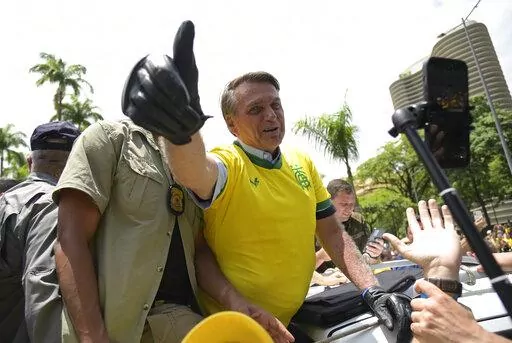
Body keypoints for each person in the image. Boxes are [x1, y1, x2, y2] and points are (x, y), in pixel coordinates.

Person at [122, 20, 412, 343]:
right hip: (234, 331)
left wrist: (371, 289)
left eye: (275, 104)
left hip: (286, 327)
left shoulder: (303, 163)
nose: (271, 115)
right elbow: (194, 172)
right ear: (232, 126)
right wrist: (181, 130)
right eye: (256, 109)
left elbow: (332, 233)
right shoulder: (231, 163)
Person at [53, 117, 205, 342]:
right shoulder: (109, 138)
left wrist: (236, 301)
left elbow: (199, 251)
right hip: (117, 331)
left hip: (184, 326)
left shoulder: (192, 163)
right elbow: (71, 239)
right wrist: (92, 335)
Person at [384, 199, 511, 343]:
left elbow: (436, 330)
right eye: (413, 231)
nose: (420, 233)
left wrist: (470, 335)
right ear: (407, 235)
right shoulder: (399, 261)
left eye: (423, 228)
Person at [0, 121, 80, 342]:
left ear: (29, 162)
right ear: (78, 164)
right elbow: (41, 286)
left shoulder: (6, 200)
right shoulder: (53, 205)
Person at [316, 179, 384, 270]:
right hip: (323, 283)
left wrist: (374, 255)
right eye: (344, 204)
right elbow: (299, 270)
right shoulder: (311, 226)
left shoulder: (358, 220)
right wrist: (321, 257)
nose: (350, 209)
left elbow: (368, 260)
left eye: (352, 204)